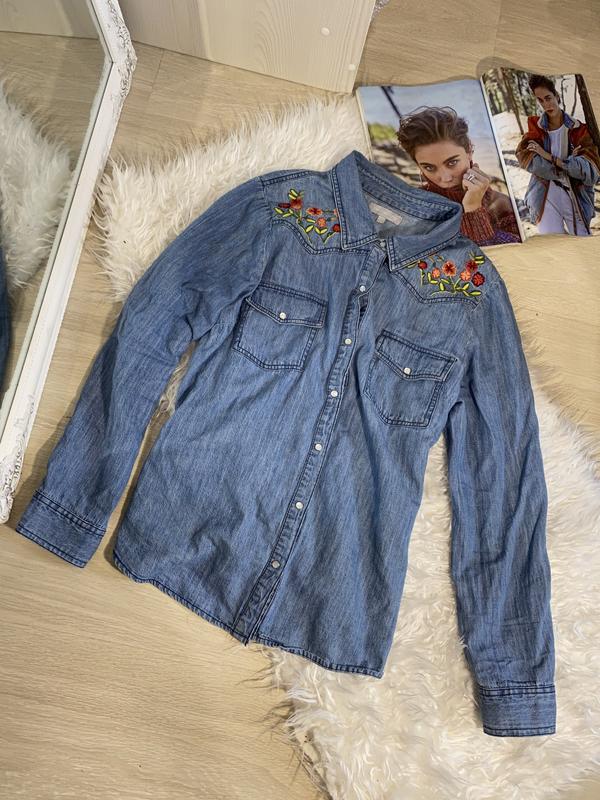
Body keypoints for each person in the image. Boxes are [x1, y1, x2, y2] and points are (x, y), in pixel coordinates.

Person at [396, 106, 521, 245]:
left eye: (452, 162)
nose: (445, 178)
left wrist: (473, 209)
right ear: (418, 165)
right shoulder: (414, 207)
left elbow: (508, 257)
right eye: (429, 167)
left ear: (469, 150)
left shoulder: (501, 205)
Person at [515, 74, 600, 235]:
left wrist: (547, 156)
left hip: (575, 194)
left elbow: (590, 171)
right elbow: (527, 158)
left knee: (583, 237)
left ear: (557, 96)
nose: (546, 104)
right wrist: (567, 164)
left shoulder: (579, 130)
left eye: (548, 98)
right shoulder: (536, 129)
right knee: (553, 242)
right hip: (544, 195)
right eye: (540, 100)